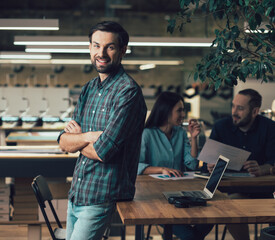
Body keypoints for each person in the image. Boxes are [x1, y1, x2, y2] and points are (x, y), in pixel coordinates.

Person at [58, 21, 147, 240]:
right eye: (96, 46)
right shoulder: (89, 88)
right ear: (89, 48)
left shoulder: (128, 93)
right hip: (78, 192)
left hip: (102, 195)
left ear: (123, 50)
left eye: (110, 47)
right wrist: (88, 136)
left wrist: (76, 141)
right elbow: (62, 142)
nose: (102, 53)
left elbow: (103, 151)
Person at [138, 91, 213, 240]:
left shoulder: (180, 133)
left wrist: (193, 138)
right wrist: (161, 169)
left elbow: (191, 164)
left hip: (181, 194)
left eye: (183, 110)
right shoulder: (147, 134)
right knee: (190, 236)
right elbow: (136, 166)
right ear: (166, 111)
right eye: (179, 110)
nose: (183, 114)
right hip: (155, 199)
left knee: (212, 217)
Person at [208, 88, 275, 240]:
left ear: (255, 111)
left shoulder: (270, 128)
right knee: (230, 207)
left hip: (266, 191)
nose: (234, 112)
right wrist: (211, 165)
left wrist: (264, 169)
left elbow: (273, 160)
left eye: (240, 108)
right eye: (233, 106)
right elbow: (208, 160)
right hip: (235, 189)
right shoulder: (220, 127)